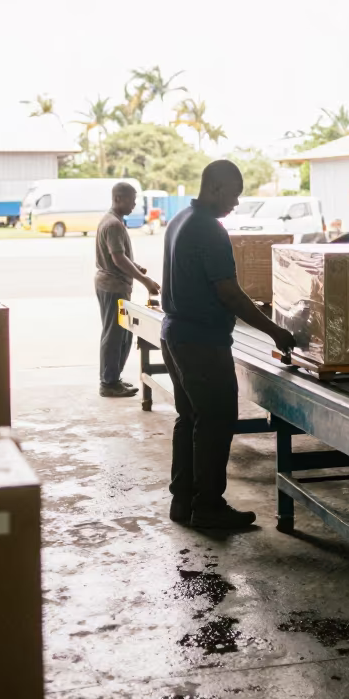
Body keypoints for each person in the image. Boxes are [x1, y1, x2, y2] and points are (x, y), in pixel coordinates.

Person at [161, 159, 295, 531]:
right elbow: (229, 293)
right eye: (234, 195)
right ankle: (208, 506)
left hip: (175, 334)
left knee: (190, 419)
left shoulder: (179, 221)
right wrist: (275, 331)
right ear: (217, 187)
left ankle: (183, 501)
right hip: (201, 341)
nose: (235, 204)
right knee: (217, 420)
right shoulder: (208, 229)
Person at [95, 181, 161, 399]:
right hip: (113, 286)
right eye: (131, 200)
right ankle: (108, 383)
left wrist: (135, 266)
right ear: (118, 199)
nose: (134, 204)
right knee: (114, 335)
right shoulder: (113, 224)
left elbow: (120, 257)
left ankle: (113, 378)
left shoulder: (113, 221)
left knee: (121, 334)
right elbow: (118, 258)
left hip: (115, 283)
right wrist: (145, 280)